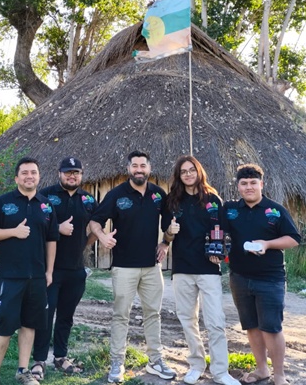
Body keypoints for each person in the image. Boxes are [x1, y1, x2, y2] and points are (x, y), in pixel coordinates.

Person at [89, 150, 176, 384]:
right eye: (135, 166)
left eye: (142, 166)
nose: (139, 170)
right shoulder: (116, 195)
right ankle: (117, 362)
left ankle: (155, 361)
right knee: (121, 315)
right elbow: (95, 221)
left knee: (153, 314)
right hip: (124, 267)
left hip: (152, 267)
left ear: (149, 168)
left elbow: (169, 226)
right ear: (128, 168)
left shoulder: (158, 194)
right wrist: (102, 236)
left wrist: (166, 242)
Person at [162, 155, 240, 385]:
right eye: (183, 171)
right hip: (182, 267)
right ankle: (196, 365)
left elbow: (223, 232)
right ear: (179, 175)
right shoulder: (172, 201)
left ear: (199, 172)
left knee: (215, 321)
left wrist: (220, 251)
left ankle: (220, 371)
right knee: (188, 320)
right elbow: (167, 236)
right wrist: (169, 232)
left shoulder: (213, 199)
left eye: (191, 170)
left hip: (208, 268)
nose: (188, 174)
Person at [0, 157, 59, 385]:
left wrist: (49, 271)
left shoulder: (46, 205)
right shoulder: (4, 202)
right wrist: (13, 232)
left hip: (37, 277)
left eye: (33, 172)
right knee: (6, 325)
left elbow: (52, 240)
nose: (29, 176)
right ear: (16, 178)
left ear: (39, 176)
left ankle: (23, 371)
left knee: (29, 324)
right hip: (10, 276)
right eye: (24, 173)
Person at [225, 164, 301, 385]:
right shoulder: (230, 210)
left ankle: (279, 375)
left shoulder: (275, 210)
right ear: (238, 186)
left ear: (261, 184)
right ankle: (262, 370)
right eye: (244, 183)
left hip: (270, 279)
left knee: (271, 328)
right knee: (251, 326)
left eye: (253, 183)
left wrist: (267, 244)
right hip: (239, 277)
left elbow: (293, 239)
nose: (249, 187)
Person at [31, 157, 98, 379]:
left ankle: (60, 357)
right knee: (45, 314)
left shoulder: (88, 200)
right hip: (49, 269)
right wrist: (57, 228)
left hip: (76, 269)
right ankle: (39, 360)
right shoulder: (45, 196)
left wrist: (84, 244)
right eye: (68, 172)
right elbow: (33, 225)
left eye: (76, 172)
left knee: (66, 316)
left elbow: (96, 228)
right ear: (59, 173)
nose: (72, 176)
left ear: (81, 175)